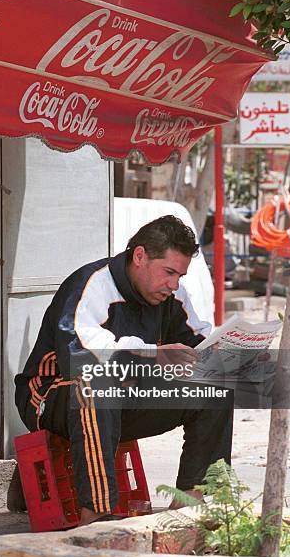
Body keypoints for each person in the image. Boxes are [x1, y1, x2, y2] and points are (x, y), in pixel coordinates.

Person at [15, 215, 233, 525]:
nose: (173, 284)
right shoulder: (92, 284)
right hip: (51, 397)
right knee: (96, 383)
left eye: (180, 276)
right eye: (168, 272)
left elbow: (197, 346)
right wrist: (152, 355)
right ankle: (96, 514)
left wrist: (229, 353)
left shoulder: (171, 295)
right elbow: (77, 357)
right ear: (140, 256)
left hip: (125, 398)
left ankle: (189, 502)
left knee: (216, 388)